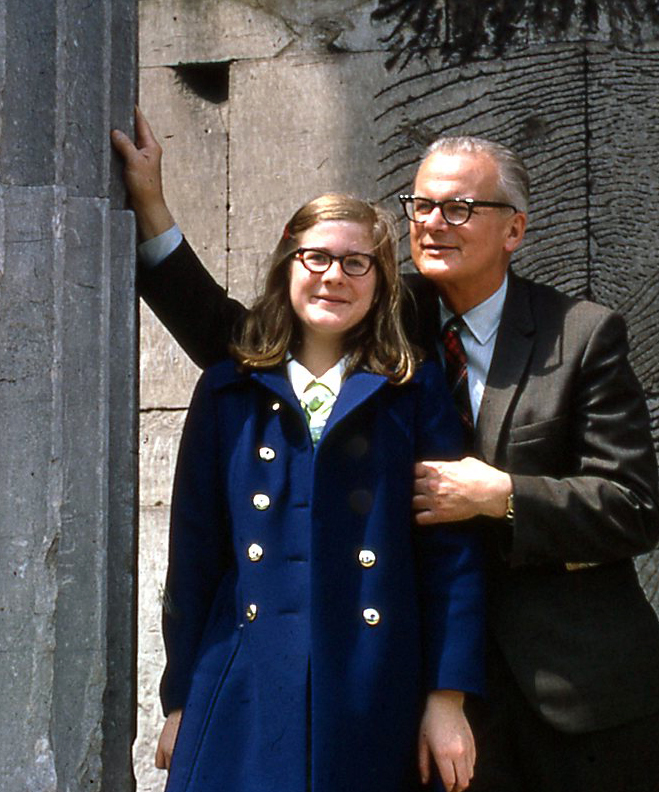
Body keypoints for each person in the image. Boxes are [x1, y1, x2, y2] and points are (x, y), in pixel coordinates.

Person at [114, 110, 659, 792]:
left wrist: (498, 495)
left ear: (515, 230)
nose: (433, 222)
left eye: (460, 207)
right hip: (422, 687)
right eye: (422, 204)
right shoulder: (385, 311)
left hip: (574, 690)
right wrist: (151, 212)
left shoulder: (581, 335)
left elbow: (633, 507)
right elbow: (245, 344)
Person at [154, 192, 486, 792]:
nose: (334, 276)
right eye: (316, 258)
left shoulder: (412, 393)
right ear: (287, 266)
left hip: (376, 686)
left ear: (382, 284)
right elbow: (194, 559)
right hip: (243, 687)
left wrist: (447, 699)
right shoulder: (229, 391)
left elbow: (451, 558)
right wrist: (180, 701)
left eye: (357, 263)